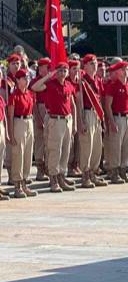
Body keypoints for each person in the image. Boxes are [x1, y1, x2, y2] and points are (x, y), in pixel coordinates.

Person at [31, 61, 78, 193]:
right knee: (54, 150)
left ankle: (61, 176)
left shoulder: (68, 85)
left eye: (65, 71)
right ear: (55, 72)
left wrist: (74, 123)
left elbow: (72, 104)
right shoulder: (50, 84)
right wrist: (48, 76)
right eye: (60, 71)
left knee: (65, 150)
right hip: (55, 120)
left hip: (67, 120)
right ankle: (53, 179)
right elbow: (35, 87)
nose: (62, 73)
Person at [75, 54, 108, 189]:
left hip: (96, 114)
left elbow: (100, 99)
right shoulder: (82, 81)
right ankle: (86, 174)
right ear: (85, 65)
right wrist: (81, 120)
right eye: (92, 63)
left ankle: (94, 172)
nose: (95, 66)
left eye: (96, 63)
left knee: (96, 145)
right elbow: (78, 101)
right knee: (87, 145)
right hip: (87, 112)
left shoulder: (97, 80)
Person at [103, 60, 128, 185]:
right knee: (116, 147)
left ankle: (123, 169)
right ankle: (114, 171)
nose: (125, 71)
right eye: (123, 69)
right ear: (117, 72)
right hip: (118, 117)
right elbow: (108, 105)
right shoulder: (113, 85)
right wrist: (111, 122)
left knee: (127, 145)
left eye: (126, 69)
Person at [6, 70, 37, 198]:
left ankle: (24, 182)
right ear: (17, 80)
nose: (26, 79)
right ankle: (17, 185)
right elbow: (10, 115)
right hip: (19, 122)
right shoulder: (14, 96)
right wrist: (11, 133)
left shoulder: (30, 94)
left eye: (28, 77)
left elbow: (33, 110)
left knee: (28, 154)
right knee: (19, 153)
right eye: (23, 78)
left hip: (29, 121)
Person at [32, 58, 51, 181]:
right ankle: (40, 169)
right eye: (46, 66)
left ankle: (49, 168)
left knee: (49, 141)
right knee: (39, 140)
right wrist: (38, 117)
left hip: (49, 109)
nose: (49, 68)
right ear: (40, 67)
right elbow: (33, 102)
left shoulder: (50, 80)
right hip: (40, 108)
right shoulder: (35, 82)